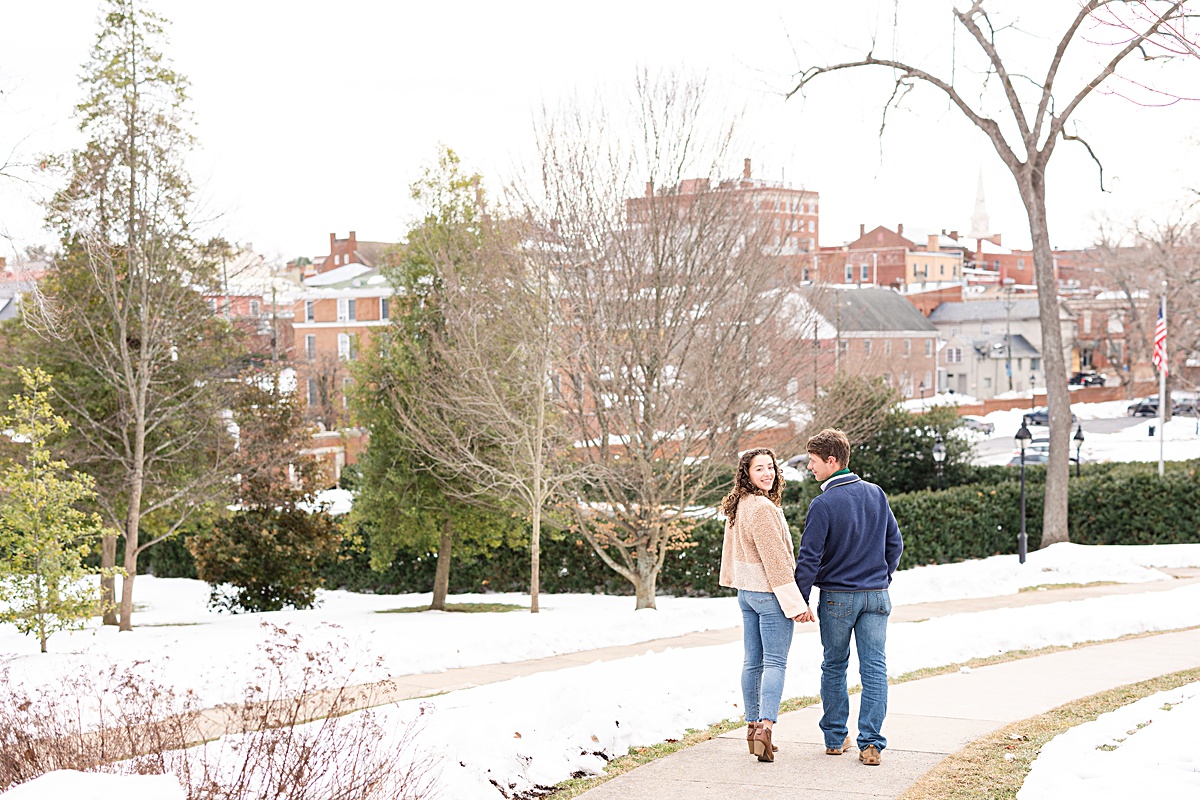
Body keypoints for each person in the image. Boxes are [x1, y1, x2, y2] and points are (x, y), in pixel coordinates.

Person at [793, 428, 903, 767]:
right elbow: (894, 544)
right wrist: (880, 579)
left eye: (813, 462)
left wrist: (800, 600)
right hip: (876, 596)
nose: (810, 468)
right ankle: (871, 744)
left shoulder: (823, 503)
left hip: (839, 598)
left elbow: (809, 557)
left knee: (834, 665)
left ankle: (835, 737)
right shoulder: (876, 493)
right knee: (874, 669)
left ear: (832, 460)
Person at [719, 447, 810, 763]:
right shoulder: (762, 508)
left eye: (770, 467)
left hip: (747, 594)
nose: (768, 473)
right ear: (747, 474)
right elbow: (776, 560)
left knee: (752, 662)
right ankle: (766, 728)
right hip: (769, 594)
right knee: (774, 663)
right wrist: (795, 603)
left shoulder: (740, 505)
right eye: (759, 469)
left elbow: (732, 552)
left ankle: (752, 727)